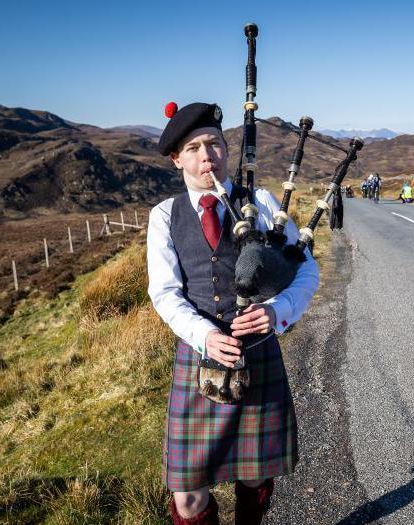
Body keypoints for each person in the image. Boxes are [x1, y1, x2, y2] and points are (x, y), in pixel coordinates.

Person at [147, 102, 320, 524]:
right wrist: (204, 334)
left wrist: (278, 310)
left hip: (258, 354)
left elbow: (306, 269)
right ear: (177, 159)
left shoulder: (259, 201)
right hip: (199, 357)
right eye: (193, 148)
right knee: (187, 495)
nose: (207, 155)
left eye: (214, 144)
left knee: (254, 477)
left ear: (226, 148)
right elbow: (165, 293)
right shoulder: (165, 217)